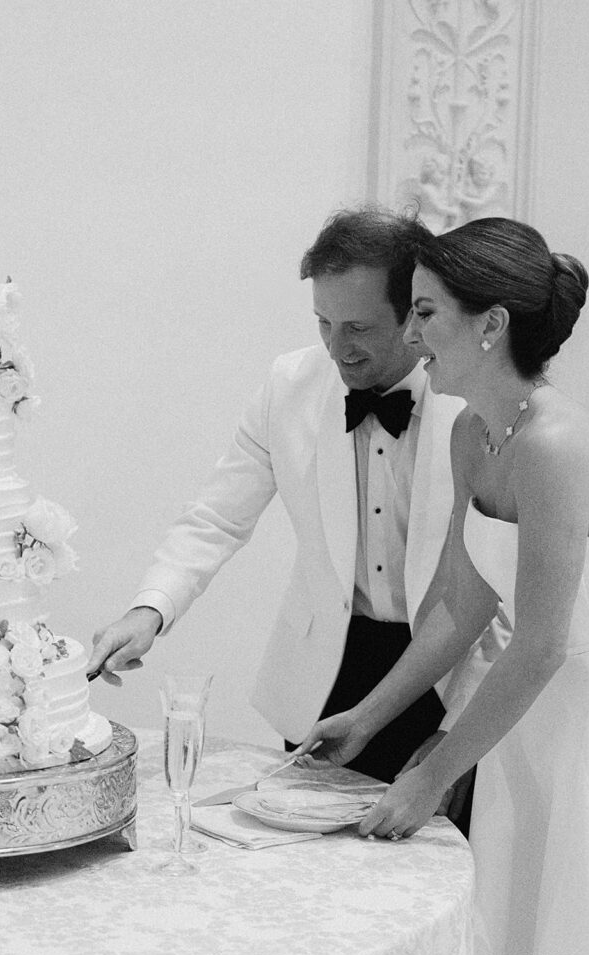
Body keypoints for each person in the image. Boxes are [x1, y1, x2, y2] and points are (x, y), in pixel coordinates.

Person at [294, 217, 589, 955]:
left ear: (491, 325)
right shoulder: (471, 432)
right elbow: (461, 607)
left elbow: (544, 642)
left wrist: (433, 773)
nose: (410, 334)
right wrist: (366, 719)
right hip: (530, 719)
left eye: (425, 313)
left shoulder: (558, 446)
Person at [86, 206, 501, 806]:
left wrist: (458, 735)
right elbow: (216, 518)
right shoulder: (289, 387)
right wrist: (148, 610)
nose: (337, 347)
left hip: (448, 675)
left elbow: (507, 589)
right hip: (325, 676)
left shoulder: (473, 402)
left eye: (358, 327)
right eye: (323, 322)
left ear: (414, 314)